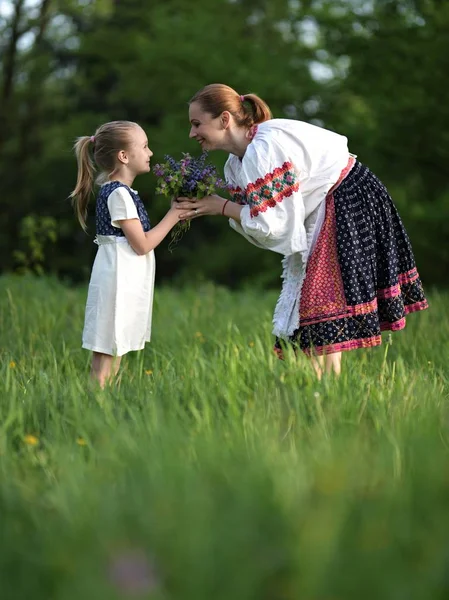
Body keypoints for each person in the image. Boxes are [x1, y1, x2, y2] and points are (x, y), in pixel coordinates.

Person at [176, 84, 428, 378]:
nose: (192, 134)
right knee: (317, 301)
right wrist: (220, 205)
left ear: (224, 120)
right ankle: (325, 390)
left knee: (319, 301)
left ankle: (324, 390)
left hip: (346, 197)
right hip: (331, 201)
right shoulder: (238, 162)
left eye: (197, 124)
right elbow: (264, 221)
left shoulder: (264, 149)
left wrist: (219, 206)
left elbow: (271, 225)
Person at [70, 120, 180, 388]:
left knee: (115, 347)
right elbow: (141, 244)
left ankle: (107, 406)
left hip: (124, 278)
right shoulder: (118, 194)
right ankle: (94, 406)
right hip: (116, 279)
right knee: (107, 352)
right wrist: (174, 215)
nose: (150, 152)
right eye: (144, 146)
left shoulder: (123, 192)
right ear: (124, 156)